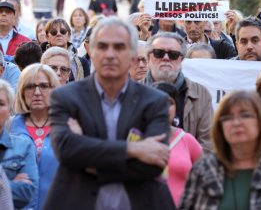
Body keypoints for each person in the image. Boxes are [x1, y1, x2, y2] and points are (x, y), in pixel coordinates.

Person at [44, 17, 174, 210]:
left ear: (132, 56)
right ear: (91, 52)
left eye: (119, 47)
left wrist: (88, 158)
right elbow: (67, 150)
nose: (110, 54)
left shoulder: (155, 102)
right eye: (103, 46)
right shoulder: (65, 97)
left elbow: (153, 164)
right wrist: (133, 149)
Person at [144, 32, 213, 151]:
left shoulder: (201, 94)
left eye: (173, 54)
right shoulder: (132, 92)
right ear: (148, 57)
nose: (165, 58)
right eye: (158, 53)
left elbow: (208, 145)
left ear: (181, 59)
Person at [10, 64, 60, 210]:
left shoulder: (67, 127)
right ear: (22, 91)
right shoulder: (8, 128)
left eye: (44, 86)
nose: (37, 92)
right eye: (30, 86)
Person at [152, 81, 202, 207]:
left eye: (169, 103)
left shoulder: (187, 140)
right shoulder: (137, 138)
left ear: (176, 108)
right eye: (158, 101)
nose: (164, 107)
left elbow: (208, 178)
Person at [0, 79, 38, 208]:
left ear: (10, 110)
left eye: (0, 103)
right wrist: (8, 184)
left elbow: (26, 193)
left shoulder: (23, 146)